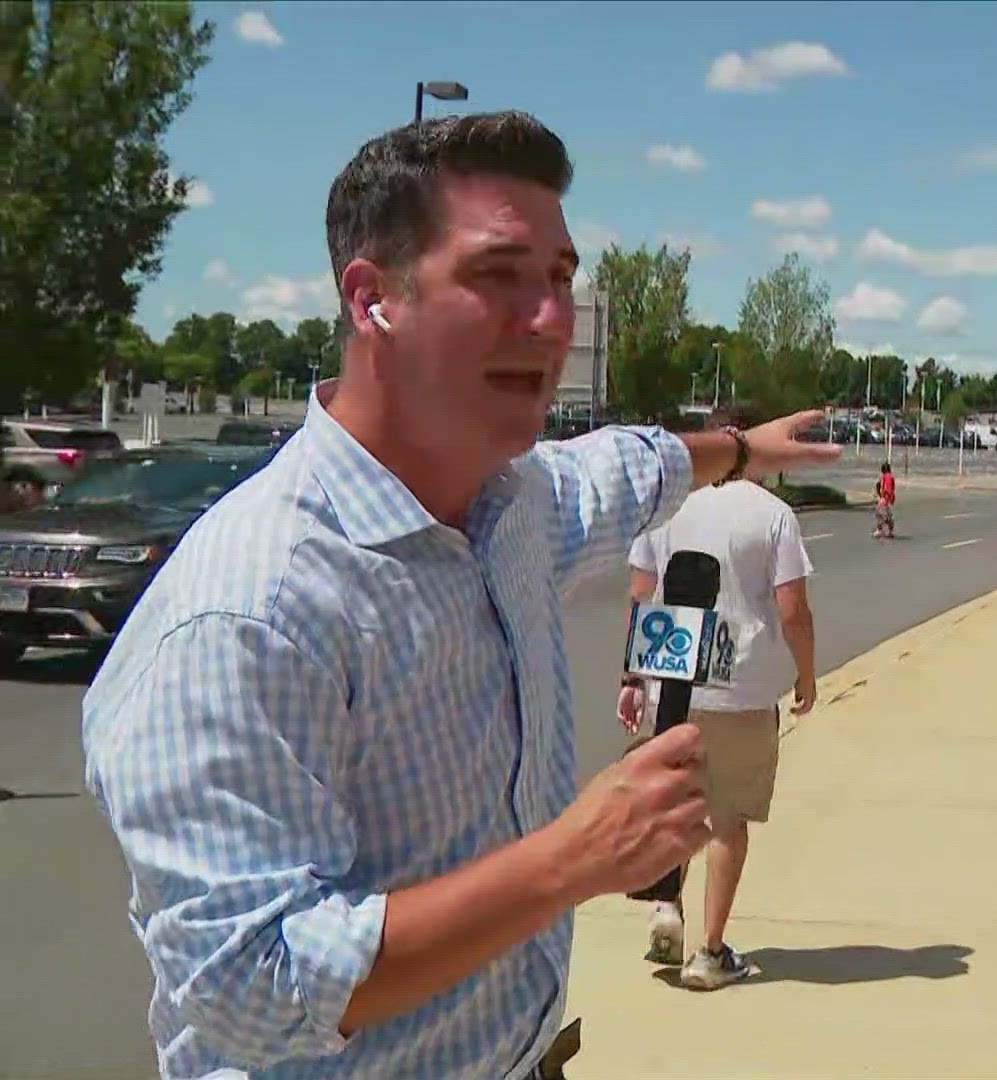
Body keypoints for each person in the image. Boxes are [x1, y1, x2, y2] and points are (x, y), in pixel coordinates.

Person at [79, 112, 839, 1079]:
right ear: (372, 299)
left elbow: (622, 467)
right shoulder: (250, 612)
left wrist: (739, 450)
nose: (551, 318)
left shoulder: (508, 501)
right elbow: (251, 990)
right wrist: (568, 861)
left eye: (560, 280)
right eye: (497, 275)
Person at [622, 432, 818, 991]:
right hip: (743, 689)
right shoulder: (773, 515)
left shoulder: (667, 509)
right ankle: (709, 953)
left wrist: (631, 676)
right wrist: (805, 674)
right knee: (727, 819)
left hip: (671, 678)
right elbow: (792, 609)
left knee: (677, 804)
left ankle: (667, 909)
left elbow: (641, 593)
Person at [873, 461, 897, 538]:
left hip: (886, 498)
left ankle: (880, 530)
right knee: (886, 514)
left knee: (880, 513)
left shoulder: (887, 477)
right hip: (887, 498)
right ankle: (890, 531)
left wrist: (884, 497)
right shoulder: (888, 476)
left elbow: (888, 488)